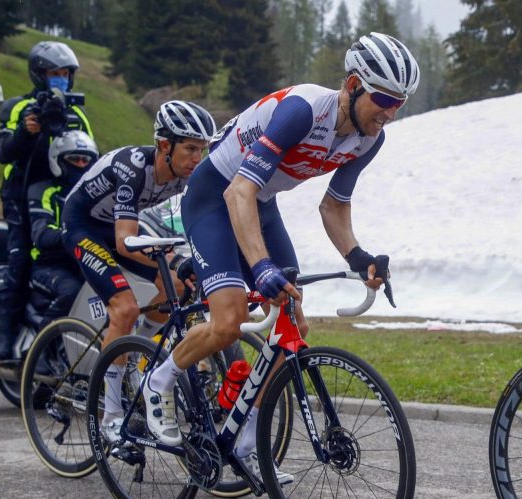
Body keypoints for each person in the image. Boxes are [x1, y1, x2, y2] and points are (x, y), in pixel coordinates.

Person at [140, 32, 418, 482]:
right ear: (352, 85)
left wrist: (358, 256)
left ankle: (247, 440)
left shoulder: (369, 138)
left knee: (293, 324)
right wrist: (262, 265)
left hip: (260, 203)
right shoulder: (303, 111)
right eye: (383, 98)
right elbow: (238, 190)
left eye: (398, 103)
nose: (388, 112)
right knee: (229, 320)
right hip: (216, 194)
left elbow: (333, 206)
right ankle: (160, 380)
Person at [61, 100, 216, 443]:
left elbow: (198, 224)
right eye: (190, 148)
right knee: (125, 307)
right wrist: (174, 258)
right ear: (164, 145)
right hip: (82, 226)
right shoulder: (132, 167)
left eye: (201, 150)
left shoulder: (185, 176)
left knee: (178, 285)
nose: (197, 158)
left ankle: (137, 353)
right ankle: (111, 415)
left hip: (118, 228)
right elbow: (124, 241)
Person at [0, 41, 93, 364]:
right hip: (22, 197)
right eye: (53, 73)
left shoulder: (76, 113)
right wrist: (26, 131)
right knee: (19, 263)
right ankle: (4, 344)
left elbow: (90, 153)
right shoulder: (19, 108)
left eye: (65, 73)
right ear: (39, 74)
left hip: (65, 195)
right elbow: (2, 152)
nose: (60, 78)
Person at [27, 131, 98, 330]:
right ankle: (41, 353)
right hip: (49, 265)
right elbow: (41, 235)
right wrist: (75, 234)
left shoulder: (94, 194)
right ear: (57, 161)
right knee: (72, 293)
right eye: (75, 159)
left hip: (84, 261)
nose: (82, 165)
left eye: (87, 160)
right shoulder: (44, 191)